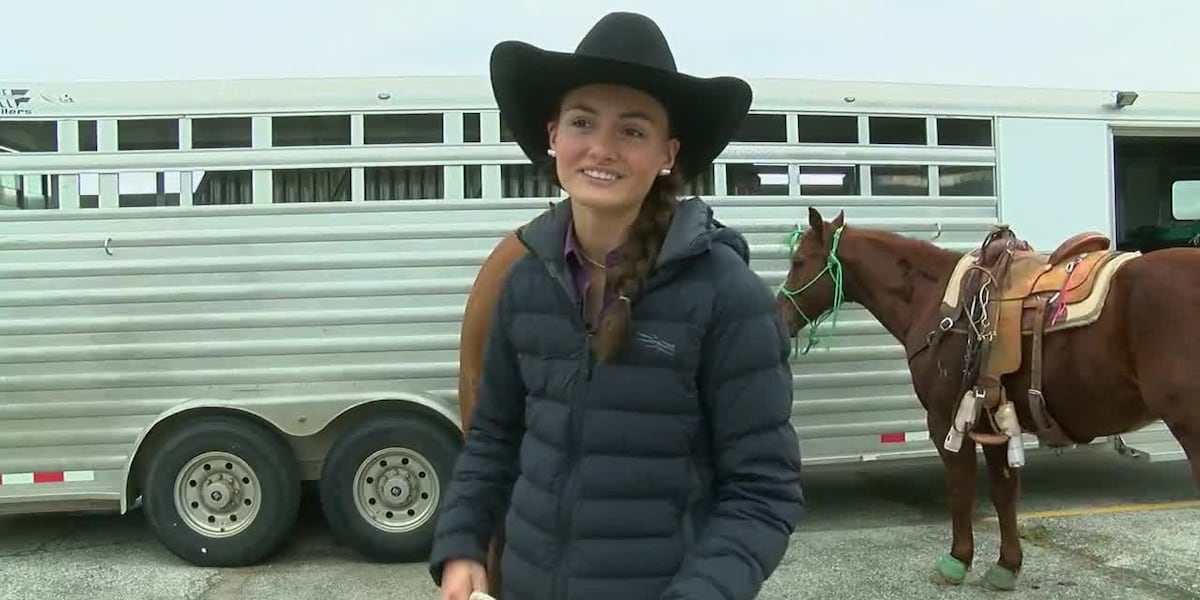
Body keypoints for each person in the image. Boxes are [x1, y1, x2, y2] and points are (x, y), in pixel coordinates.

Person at [429, 11, 805, 600]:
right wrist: (461, 546)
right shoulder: (525, 284)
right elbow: (494, 439)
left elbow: (763, 489)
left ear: (667, 154)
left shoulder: (727, 297)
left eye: (632, 130)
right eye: (583, 122)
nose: (600, 148)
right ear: (554, 135)